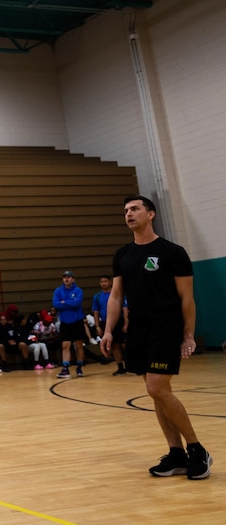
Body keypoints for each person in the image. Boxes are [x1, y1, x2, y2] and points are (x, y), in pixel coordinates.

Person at [102, 195, 211, 480]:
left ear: (150, 214)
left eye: (135, 209)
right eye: (125, 210)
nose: (129, 213)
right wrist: (108, 330)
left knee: (157, 387)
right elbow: (115, 296)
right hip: (137, 328)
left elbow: (187, 298)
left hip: (166, 326)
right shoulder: (122, 255)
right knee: (155, 392)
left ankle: (197, 449)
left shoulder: (173, 252)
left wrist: (189, 334)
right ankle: (176, 454)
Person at [53, 270, 87, 378]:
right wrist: (68, 303)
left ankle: (79, 366)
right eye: (64, 277)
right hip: (65, 321)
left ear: (73, 279)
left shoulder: (78, 290)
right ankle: (65, 368)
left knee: (78, 345)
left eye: (69, 277)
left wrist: (64, 302)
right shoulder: (58, 291)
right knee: (65, 345)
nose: (66, 279)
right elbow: (56, 304)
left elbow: (77, 303)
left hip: (77, 321)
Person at [93, 275, 128, 375]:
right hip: (106, 323)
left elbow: (125, 309)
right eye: (101, 281)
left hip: (119, 321)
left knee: (124, 344)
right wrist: (98, 326)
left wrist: (126, 323)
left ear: (110, 282)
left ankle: (133, 363)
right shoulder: (97, 297)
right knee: (114, 345)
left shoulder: (117, 294)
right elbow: (96, 313)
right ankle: (120, 367)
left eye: (105, 281)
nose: (103, 283)